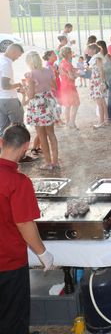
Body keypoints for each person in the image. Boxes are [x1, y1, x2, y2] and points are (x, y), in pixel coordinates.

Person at [0, 125, 54, 334]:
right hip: (8, 263)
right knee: (13, 319)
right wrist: (43, 253)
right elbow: (24, 223)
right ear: (25, 147)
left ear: (1, 142)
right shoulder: (18, 182)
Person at [24, 51, 60, 171]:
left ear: (30, 62)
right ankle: (56, 162)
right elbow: (54, 86)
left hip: (38, 105)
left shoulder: (30, 74)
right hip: (48, 101)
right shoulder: (48, 70)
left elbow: (31, 94)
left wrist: (25, 90)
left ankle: (48, 163)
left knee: (41, 135)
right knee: (51, 133)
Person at [0, 44, 26, 136]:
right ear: (13, 52)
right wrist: (18, 85)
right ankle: (19, 149)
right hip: (9, 99)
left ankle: (3, 149)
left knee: (3, 128)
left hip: (1, 99)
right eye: (18, 55)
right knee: (19, 128)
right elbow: (5, 85)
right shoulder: (6, 64)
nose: (18, 58)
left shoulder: (1, 59)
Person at [85, 44, 108, 129]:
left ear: (94, 50)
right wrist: (88, 68)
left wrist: (102, 83)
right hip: (96, 81)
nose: (87, 51)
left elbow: (101, 71)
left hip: (98, 82)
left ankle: (101, 121)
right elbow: (96, 70)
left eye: (88, 49)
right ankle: (105, 120)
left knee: (100, 102)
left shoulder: (97, 58)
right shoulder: (95, 58)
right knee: (102, 102)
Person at [58, 46, 80, 129]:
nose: (72, 53)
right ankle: (72, 123)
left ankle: (68, 122)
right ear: (67, 53)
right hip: (70, 86)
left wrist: (76, 69)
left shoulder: (62, 62)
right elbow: (72, 77)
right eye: (71, 52)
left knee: (67, 105)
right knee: (75, 104)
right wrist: (78, 75)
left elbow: (64, 72)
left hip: (64, 85)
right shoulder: (67, 63)